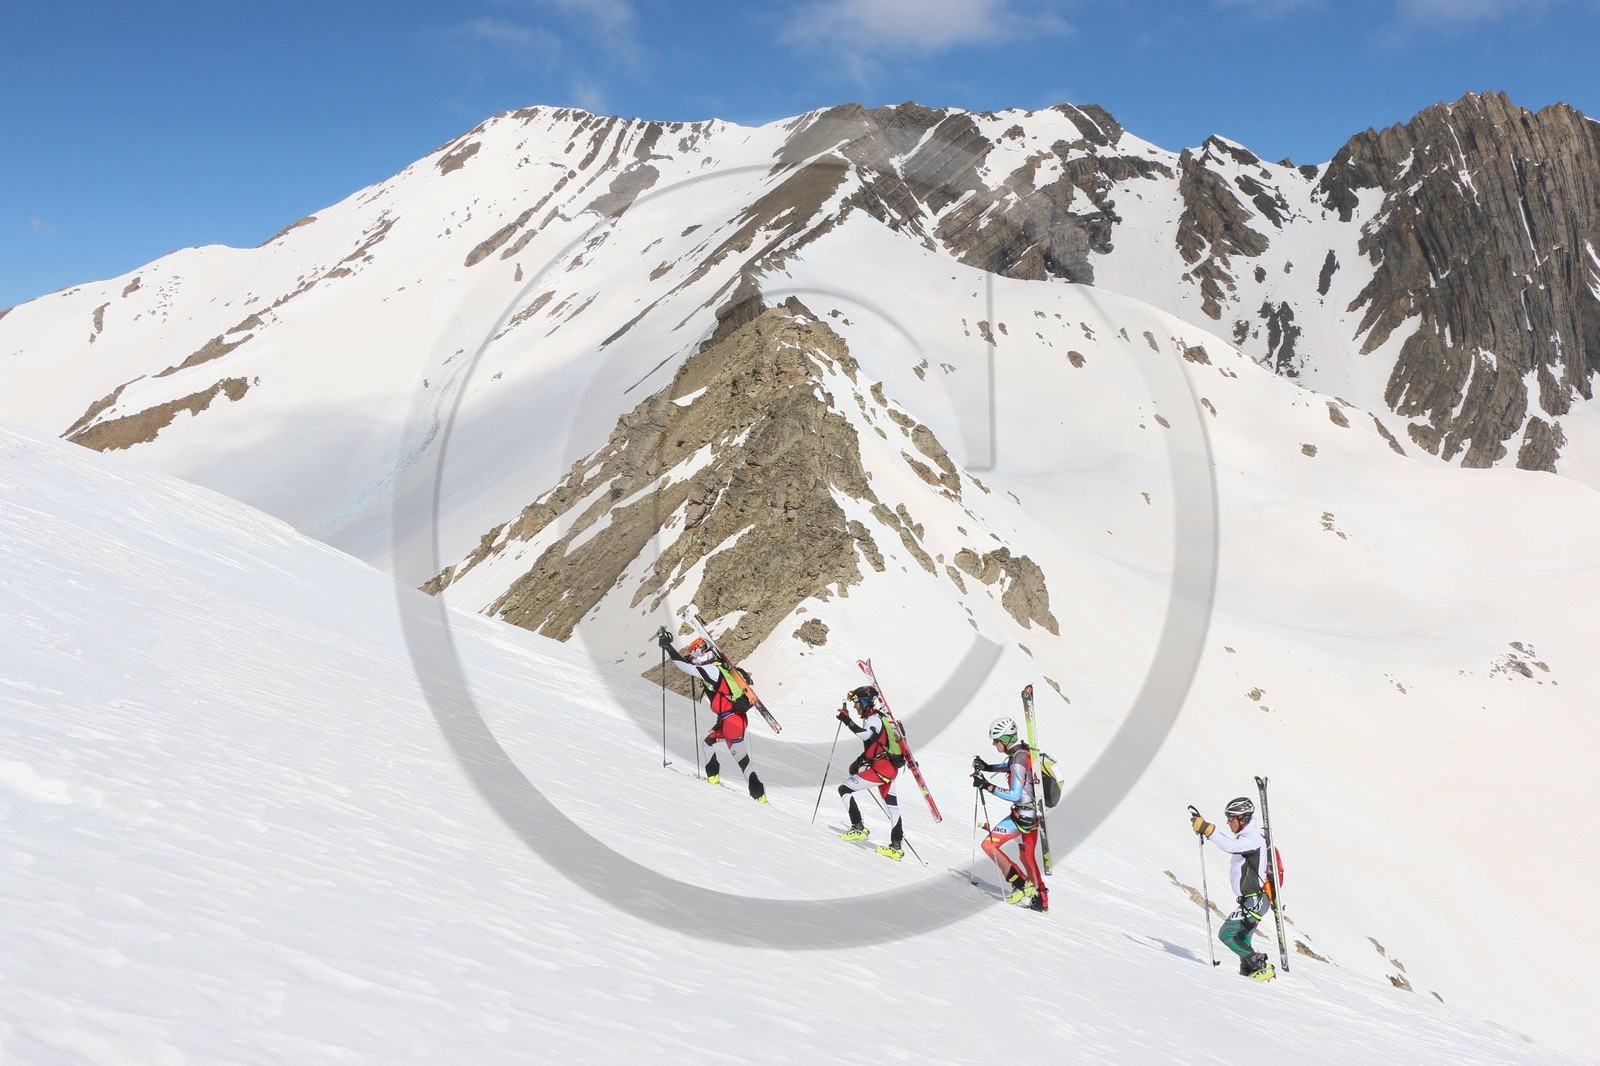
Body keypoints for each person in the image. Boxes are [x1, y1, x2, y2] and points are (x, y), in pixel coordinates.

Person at [658, 630, 767, 803]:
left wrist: (667, 646)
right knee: (706, 741)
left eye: (694, 655)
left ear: (702, 654)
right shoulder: (717, 666)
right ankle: (713, 779)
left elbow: (684, 666)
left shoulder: (711, 670)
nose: (693, 658)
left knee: (743, 762)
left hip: (732, 722)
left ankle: (760, 798)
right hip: (730, 719)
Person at [1190, 797, 1274, 980]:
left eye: (1230, 818)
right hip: (1253, 900)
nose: (1227, 822)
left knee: (1226, 934)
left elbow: (1230, 846)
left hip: (1255, 900)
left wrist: (1208, 829)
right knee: (1242, 938)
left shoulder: (1252, 839)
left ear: (1242, 819)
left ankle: (1258, 964)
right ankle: (1250, 972)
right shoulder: (1249, 836)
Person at [972, 717, 1047, 912]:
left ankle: (1021, 885)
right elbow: (1010, 767)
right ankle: (1041, 900)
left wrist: (987, 785)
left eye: (996, 740)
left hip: (1022, 817)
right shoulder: (1021, 753)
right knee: (1027, 857)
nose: (994, 744)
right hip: (1032, 816)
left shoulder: (1018, 758)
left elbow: (1015, 794)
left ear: (1005, 739)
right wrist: (987, 767)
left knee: (988, 845)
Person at [834, 686, 906, 860]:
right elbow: (875, 745)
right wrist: (858, 762)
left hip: (881, 769)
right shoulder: (878, 717)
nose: (855, 707)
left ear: (865, 702)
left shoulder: (874, 719)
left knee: (844, 789)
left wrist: (847, 721)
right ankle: (896, 848)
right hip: (889, 769)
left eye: (857, 703)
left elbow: (867, 736)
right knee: (892, 807)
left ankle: (858, 828)